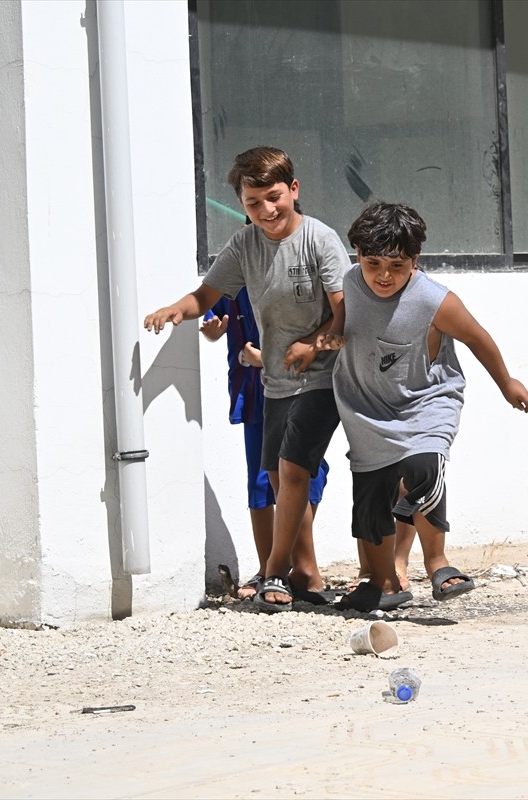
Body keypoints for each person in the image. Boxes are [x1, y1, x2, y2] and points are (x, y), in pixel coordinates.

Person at [145, 146, 349, 613]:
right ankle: (308, 575)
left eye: (274, 198)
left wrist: (311, 345)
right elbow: (207, 295)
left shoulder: (321, 240)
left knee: (295, 472)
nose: (266, 210)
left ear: (294, 190)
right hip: (274, 381)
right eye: (253, 203)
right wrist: (178, 309)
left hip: (322, 379)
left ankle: (275, 570)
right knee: (278, 478)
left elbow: (345, 316)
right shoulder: (244, 245)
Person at [323, 201, 528, 612]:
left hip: (426, 403)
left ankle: (438, 562)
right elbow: (340, 318)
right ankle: (385, 581)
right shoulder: (349, 282)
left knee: (422, 468)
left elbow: (477, 338)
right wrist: (326, 337)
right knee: (370, 498)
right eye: (373, 263)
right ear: (358, 256)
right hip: (366, 408)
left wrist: (506, 382)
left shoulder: (435, 300)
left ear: (416, 260)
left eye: (397, 266)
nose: (384, 275)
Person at [199, 289, 332, 604]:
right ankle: (269, 568)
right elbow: (210, 315)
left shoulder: (298, 266)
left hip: (302, 386)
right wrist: (213, 330)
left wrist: (268, 358)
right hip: (256, 392)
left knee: (307, 472)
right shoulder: (233, 272)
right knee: (262, 477)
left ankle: (299, 568)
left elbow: (328, 322)